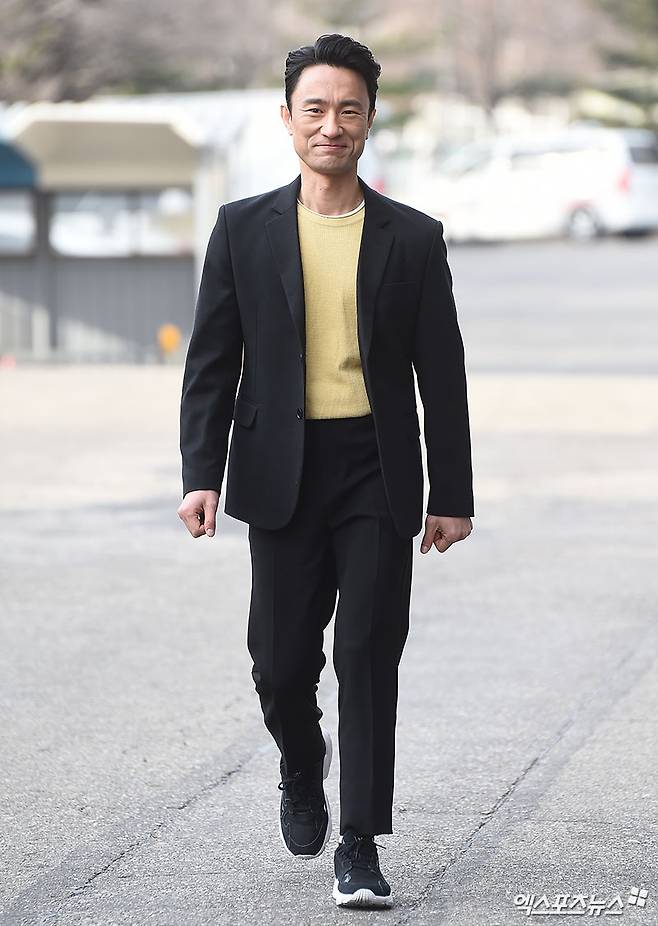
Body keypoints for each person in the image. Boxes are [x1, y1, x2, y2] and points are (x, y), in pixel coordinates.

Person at [177, 32, 474, 909]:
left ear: (371, 120)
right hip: (280, 470)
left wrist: (453, 493)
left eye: (349, 109)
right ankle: (302, 765)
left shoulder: (412, 238)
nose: (331, 125)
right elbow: (211, 363)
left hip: (376, 469)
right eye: (316, 109)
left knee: (367, 653)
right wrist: (201, 472)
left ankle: (360, 845)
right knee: (278, 664)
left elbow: (442, 375)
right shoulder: (243, 229)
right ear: (287, 119)